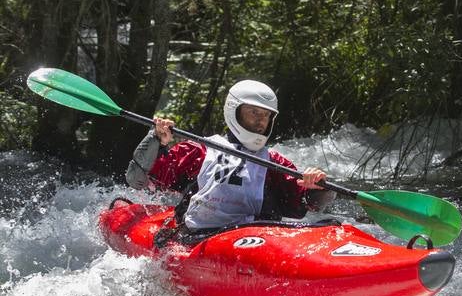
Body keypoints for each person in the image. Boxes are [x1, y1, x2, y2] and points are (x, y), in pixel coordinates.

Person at [126, 79, 334, 237]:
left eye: (266, 115)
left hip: (257, 239)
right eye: (254, 112)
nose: (261, 121)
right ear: (234, 111)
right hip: (202, 237)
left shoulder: (274, 162)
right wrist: (156, 140)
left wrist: (318, 187)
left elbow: (305, 204)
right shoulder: (199, 150)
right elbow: (137, 179)